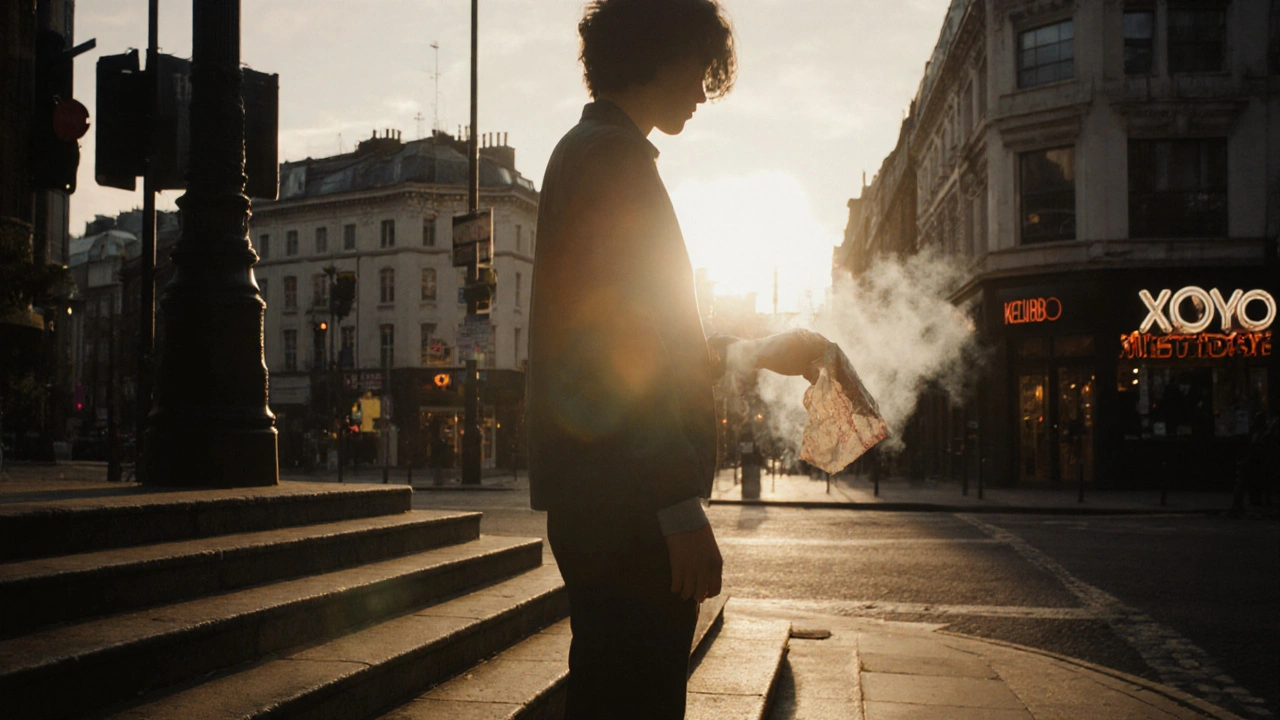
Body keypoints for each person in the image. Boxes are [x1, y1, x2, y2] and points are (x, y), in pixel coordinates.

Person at [526, 1, 828, 717]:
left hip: (604, 495)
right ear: (656, 54)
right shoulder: (612, 159)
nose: (703, 89)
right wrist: (673, 502)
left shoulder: (594, 151)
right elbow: (620, 350)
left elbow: (647, 337)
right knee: (637, 698)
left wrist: (755, 350)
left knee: (613, 691)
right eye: (698, 67)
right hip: (626, 501)